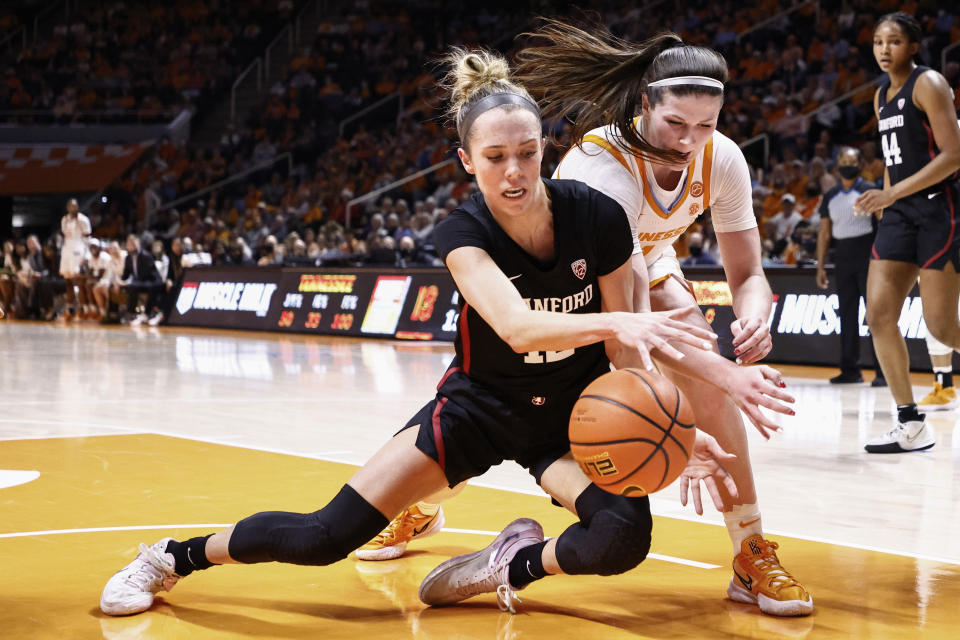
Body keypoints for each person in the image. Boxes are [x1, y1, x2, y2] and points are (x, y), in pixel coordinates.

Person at [100, 48, 785, 619]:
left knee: (620, 540)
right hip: (478, 411)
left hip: (571, 421)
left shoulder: (596, 216)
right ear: (466, 161)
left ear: (546, 148)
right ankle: (169, 556)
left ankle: (509, 564)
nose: (513, 172)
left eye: (526, 152)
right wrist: (622, 317)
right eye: (494, 158)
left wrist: (675, 430)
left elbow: (623, 352)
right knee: (323, 536)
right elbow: (516, 327)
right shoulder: (462, 232)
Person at [362, 21, 812, 618]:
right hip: (573, 290)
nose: (688, 141)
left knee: (706, 373)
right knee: (512, 411)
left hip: (646, 262)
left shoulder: (720, 158)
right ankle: (422, 503)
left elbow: (748, 274)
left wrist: (753, 322)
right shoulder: (602, 173)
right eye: (675, 124)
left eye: (705, 126)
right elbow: (625, 322)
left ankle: (750, 552)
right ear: (645, 105)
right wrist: (725, 374)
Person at [856, 12, 960, 454]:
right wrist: (884, 200)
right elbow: (893, 160)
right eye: (879, 41)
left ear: (912, 46)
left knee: (942, 326)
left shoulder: (929, 83)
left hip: (939, 209)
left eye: (894, 41)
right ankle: (910, 422)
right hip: (899, 213)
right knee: (879, 314)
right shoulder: (880, 96)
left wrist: (892, 192)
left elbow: (953, 155)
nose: (884, 49)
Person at [815, 146, 884, 386]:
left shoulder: (870, 190)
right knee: (846, 314)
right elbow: (824, 234)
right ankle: (850, 370)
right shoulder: (830, 196)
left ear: (860, 164)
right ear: (837, 164)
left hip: (868, 254)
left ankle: (883, 372)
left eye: (852, 160)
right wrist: (820, 266)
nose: (848, 164)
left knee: (875, 314)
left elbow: (883, 224)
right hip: (842, 256)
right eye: (843, 160)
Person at [59, 198, 92, 320]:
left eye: (74, 206)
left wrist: (86, 254)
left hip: (79, 249)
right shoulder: (65, 219)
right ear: (67, 207)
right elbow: (64, 235)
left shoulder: (83, 219)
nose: (72, 208)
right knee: (68, 281)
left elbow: (87, 237)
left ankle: (85, 308)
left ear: (77, 207)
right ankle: (69, 307)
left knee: (78, 280)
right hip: (67, 250)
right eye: (70, 206)